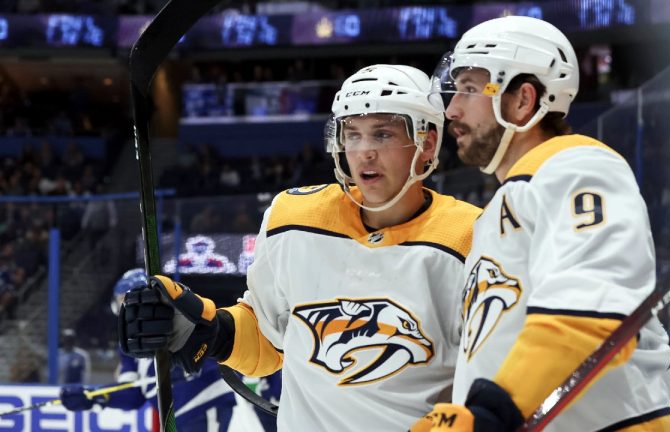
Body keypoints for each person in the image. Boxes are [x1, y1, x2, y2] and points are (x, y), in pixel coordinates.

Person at [415, 16, 670, 432]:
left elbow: (585, 311)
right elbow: (640, 341)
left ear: (523, 100)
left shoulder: (575, 165)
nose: (451, 109)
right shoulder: (498, 216)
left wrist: (491, 413)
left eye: (470, 88)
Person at [117, 64, 481, 430]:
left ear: (427, 142)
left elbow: (495, 375)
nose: (364, 152)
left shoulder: (472, 235)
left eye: (383, 135)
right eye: (352, 135)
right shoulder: (293, 218)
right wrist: (211, 331)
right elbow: (267, 340)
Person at [59, 269, 239, 432]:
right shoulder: (129, 346)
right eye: (121, 302)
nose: (127, 310)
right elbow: (133, 394)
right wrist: (94, 397)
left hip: (204, 404)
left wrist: (188, 366)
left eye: (128, 302)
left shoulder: (180, 317)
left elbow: (210, 348)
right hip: (177, 418)